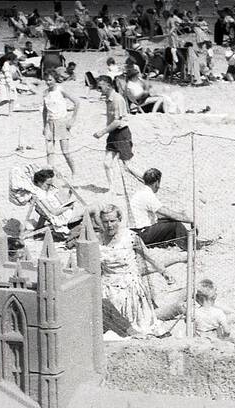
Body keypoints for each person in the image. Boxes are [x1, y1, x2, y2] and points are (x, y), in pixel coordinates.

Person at [95, 203, 177, 337]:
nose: (109, 225)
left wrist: (164, 272)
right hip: (107, 287)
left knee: (141, 328)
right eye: (105, 221)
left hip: (130, 287)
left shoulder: (130, 238)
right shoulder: (97, 241)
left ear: (119, 220)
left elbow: (149, 257)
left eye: (112, 221)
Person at [94, 76, 143, 193]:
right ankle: (112, 189)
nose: (99, 89)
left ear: (108, 85)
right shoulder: (108, 98)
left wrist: (102, 132)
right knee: (107, 163)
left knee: (128, 166)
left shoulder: (117, 99)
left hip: (122, 134)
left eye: (100, 87)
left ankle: (148, 181)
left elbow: (117, 121)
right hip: (113, 134)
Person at [42, 67, 81, 178]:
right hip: (50, 123)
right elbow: (45, 111)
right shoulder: (45, 93)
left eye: (49, 80)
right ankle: (50, 175)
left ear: (55, 79)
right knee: (49, 152)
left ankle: (74, 172)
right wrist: (44, 126)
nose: (47, 82)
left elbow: (77, 102)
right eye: (46, 80)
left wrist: (72, 120)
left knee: (65, 152)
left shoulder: (61, 90)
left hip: (62, 123)